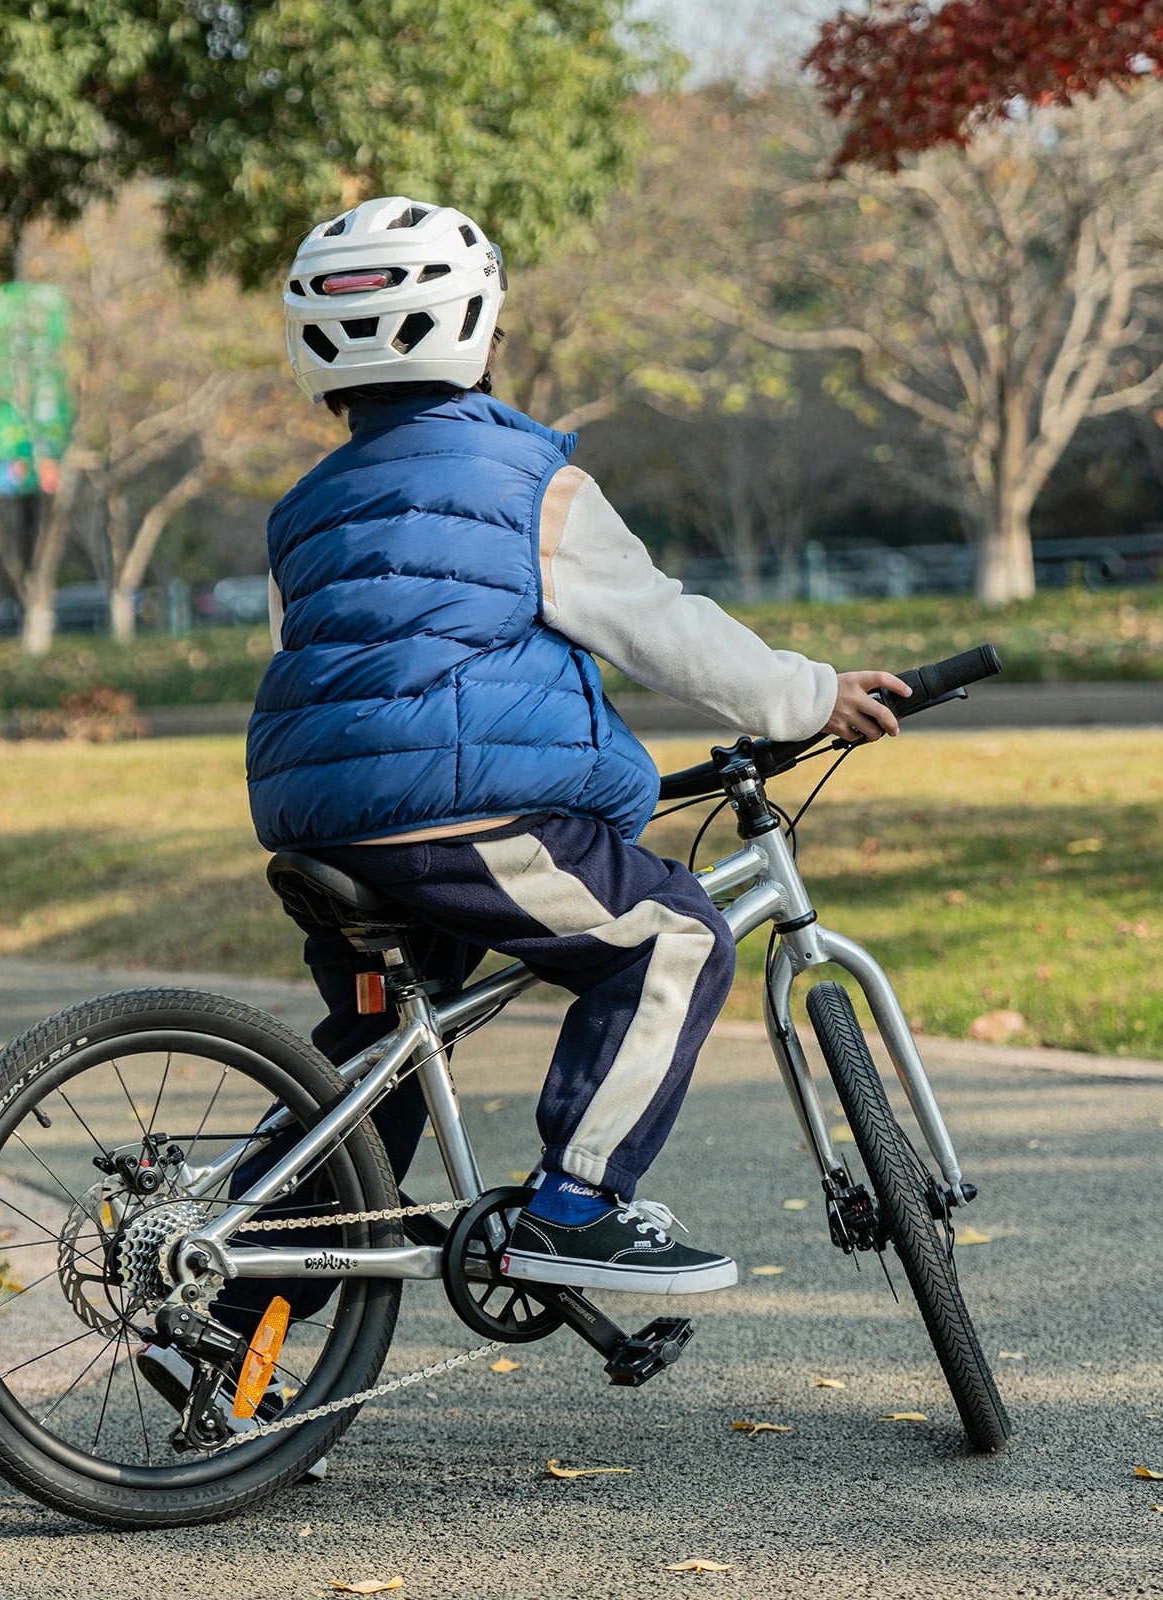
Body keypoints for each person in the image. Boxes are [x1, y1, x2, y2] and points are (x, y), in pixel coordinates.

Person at [143, 196, 906, 1430]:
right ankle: (575, 1207)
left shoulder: (304, 514)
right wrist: (808, 694)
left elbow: (332, 663)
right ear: (481, 327)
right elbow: (662, 627)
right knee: (672, 940)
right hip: (473, 814)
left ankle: (226, 1340)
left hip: (324, 824)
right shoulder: (531, 478)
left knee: (375, 1079)